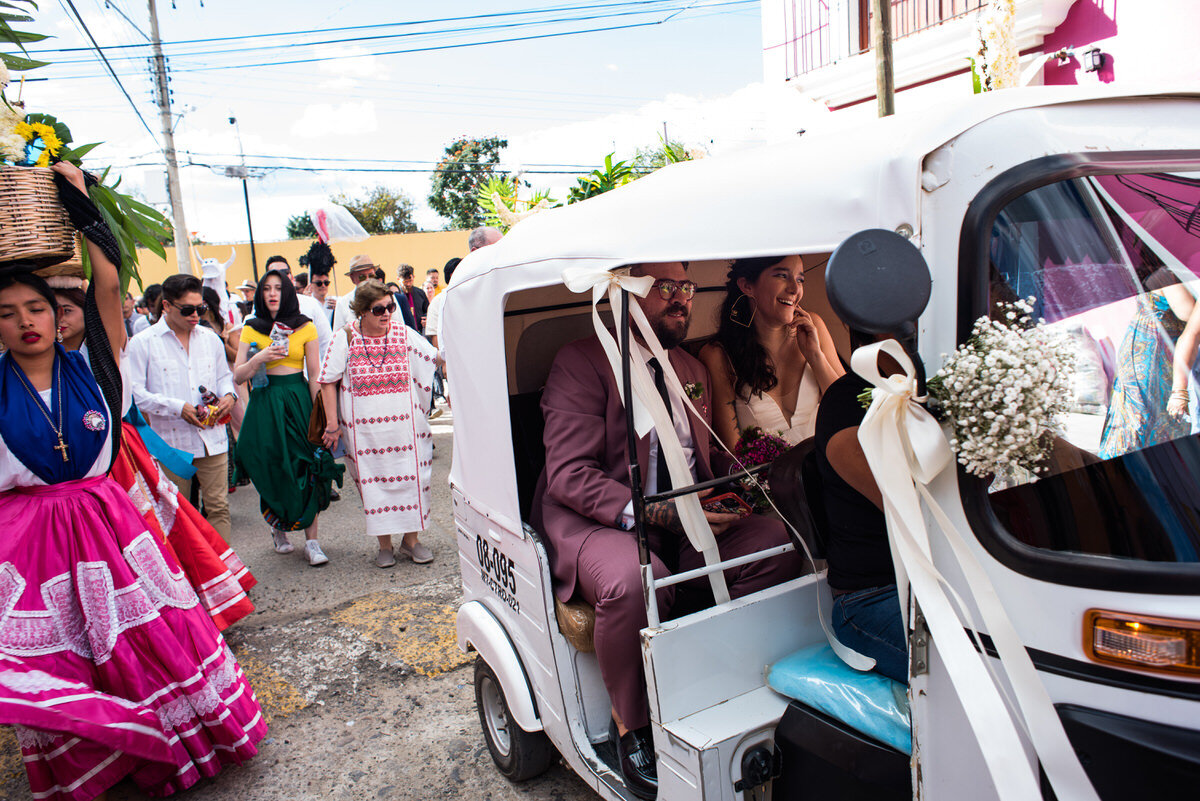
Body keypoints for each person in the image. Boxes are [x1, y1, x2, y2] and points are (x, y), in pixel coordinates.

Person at [0, 161, 265, 800]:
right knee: (62, 659)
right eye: (7, 312)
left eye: (39, 306)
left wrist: (78, 199)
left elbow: (109, 282)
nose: (29, 320)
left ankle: (165, 742)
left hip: (105, 526)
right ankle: (94, 750)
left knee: (141, 641)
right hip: (29, 541)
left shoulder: (97, 365)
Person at [534, 261, 802, 799]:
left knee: (778, 544)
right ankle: (630, 723)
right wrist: (666, 514)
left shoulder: (689, 367)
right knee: (639, 578)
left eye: (686, 288)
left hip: (687, 514)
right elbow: (569, 476)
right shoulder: (583, 361)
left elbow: (702, 462)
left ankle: (699, 665)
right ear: (626, 292)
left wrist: (748, 483)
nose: (681, 299)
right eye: (665, 289)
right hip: (598, 519)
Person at [318, 279, 440, 567]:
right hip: (365, 437)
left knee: (413, 482)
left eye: (390, 306)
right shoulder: (344, 338)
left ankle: (412, 541)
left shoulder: (402, 333)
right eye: (379, 309)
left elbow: (433, 358)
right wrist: (333, 424)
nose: (387, 313)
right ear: (361, 311)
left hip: (407, 433)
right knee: (374, 488)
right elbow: (327, 381)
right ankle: (384, 545)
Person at [814, 329, 907, 684]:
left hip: (927, 581)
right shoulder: (847, 406)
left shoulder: (931, 388)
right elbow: (914, 513)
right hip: (872, 599)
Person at [233, 270, 341, 565]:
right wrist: (259, 358)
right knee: (271, 466)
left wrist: (326, 416)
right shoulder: (251, 328)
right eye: (266, 288)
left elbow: (316, 375)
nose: (272, 293)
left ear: (288, 293)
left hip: (297, 399)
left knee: (307, 467)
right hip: (265, 403)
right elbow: (239, 374)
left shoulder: (305, 327)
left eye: (278, 288)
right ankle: (278, 529)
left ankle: (313, 542)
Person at [125, 274, 239, 543]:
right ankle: (187, 579)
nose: (195, 316)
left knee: (219, 508)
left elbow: (224, 376)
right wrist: (178, 407)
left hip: (212, 439)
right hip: (171, 445)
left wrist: (228, 396)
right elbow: (135, 394)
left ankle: (224, 575)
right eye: (187, 309)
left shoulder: (210, 339)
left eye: (200, 309)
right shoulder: (143, 343)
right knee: (177, 513)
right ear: (166, 306)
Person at [699, 255, 844, 451]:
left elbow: (850, 411)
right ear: (747, 286)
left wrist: (816, 356)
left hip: (832, 470)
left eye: (800, 279)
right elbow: (734, 454)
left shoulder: (815, 326)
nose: (794, 289)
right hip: (764, 480)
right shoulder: (718, 355)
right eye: (782, 276)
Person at [1099, 273, 1194, 458]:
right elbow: (1187, 312)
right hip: (1150, 351)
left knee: (1156, 418)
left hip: (1154, 349)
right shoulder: (1164, 272)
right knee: (1139, 417)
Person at [259, 255, 332, 361]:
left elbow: (326, 343)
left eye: (285, 272)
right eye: (275, 273)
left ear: (292, 277)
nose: (281, 276)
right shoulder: (260, 308)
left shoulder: (310, 304)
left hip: (308, 374)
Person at [332, 254, 384, 331]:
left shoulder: (387, 298)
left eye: (371, 276)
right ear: (352, 279)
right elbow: (338, 336)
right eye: (362, 277)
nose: (367, 280)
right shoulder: (343, 303)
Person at [394, 264, 429, 335]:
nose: (408, 284)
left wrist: (426, 318)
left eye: (410, 280)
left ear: (413, 277)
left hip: (420, 333)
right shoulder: (396, 296)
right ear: (398, 279)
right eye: (405, 282)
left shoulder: (420, 293)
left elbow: (427, 311)